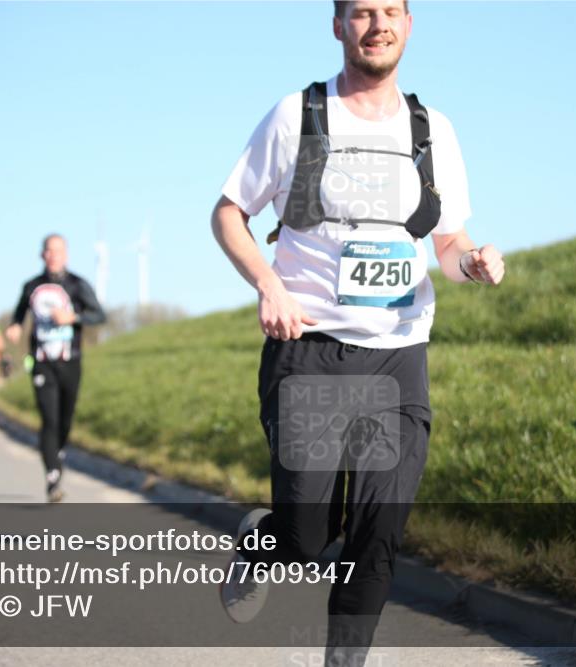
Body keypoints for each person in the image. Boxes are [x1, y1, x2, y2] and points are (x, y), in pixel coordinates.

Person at [211, 1, 505, 661]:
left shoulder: (432, 130)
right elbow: (229, 212)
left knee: (377, 534)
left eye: (391, 11)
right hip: (311, 354)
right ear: (338, 25)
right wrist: (269, 283)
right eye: (362, 12)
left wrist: (472, 262)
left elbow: (447, 239)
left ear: (409, 23)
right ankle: (267, 541)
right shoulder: (300, 116)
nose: (378, 24)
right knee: (309, 535)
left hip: (396, 356)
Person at [6, 234, 106, 502]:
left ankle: (57, 453)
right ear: (42, 255)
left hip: (70, 360)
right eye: (49, 251)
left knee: (65, 419)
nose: (53, 255)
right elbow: (18, 313)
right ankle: (52, 476)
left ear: (66, 255)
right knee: (48, 418)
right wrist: (15, 326)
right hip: (41, 361)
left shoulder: (77, 284)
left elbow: (99, 314)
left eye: (58, 251)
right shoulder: (31, 286)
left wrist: (73, 317)